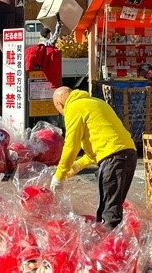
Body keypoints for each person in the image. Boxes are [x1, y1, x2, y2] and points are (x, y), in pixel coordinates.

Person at [49, 86, 137, 230]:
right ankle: (116, 243)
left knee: (107, 214)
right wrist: (77, 166)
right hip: (129, 154)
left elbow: (71, 145)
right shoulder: (96, 102)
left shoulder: (73, 107)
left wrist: (59, 175)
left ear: (59, 104)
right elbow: (97, 147)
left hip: (113, 158)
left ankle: (109, 248)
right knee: (113, 207)